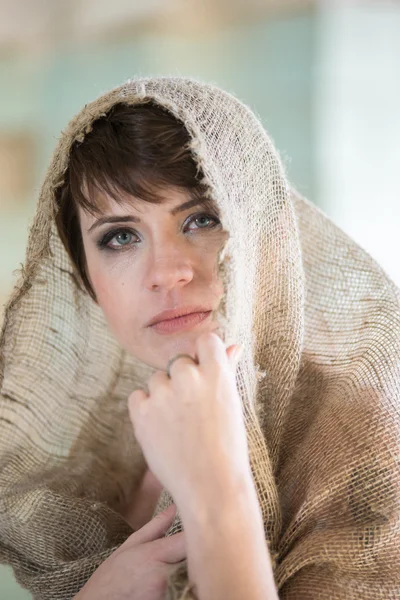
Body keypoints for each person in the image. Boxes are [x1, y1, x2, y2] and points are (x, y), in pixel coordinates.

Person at [0, 77, 399, 600]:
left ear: (268, 239)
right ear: (85, 278)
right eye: (120, 237)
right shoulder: (92, 474)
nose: (166, 272)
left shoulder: (367, 442)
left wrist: (218, 493)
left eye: (202, 219)